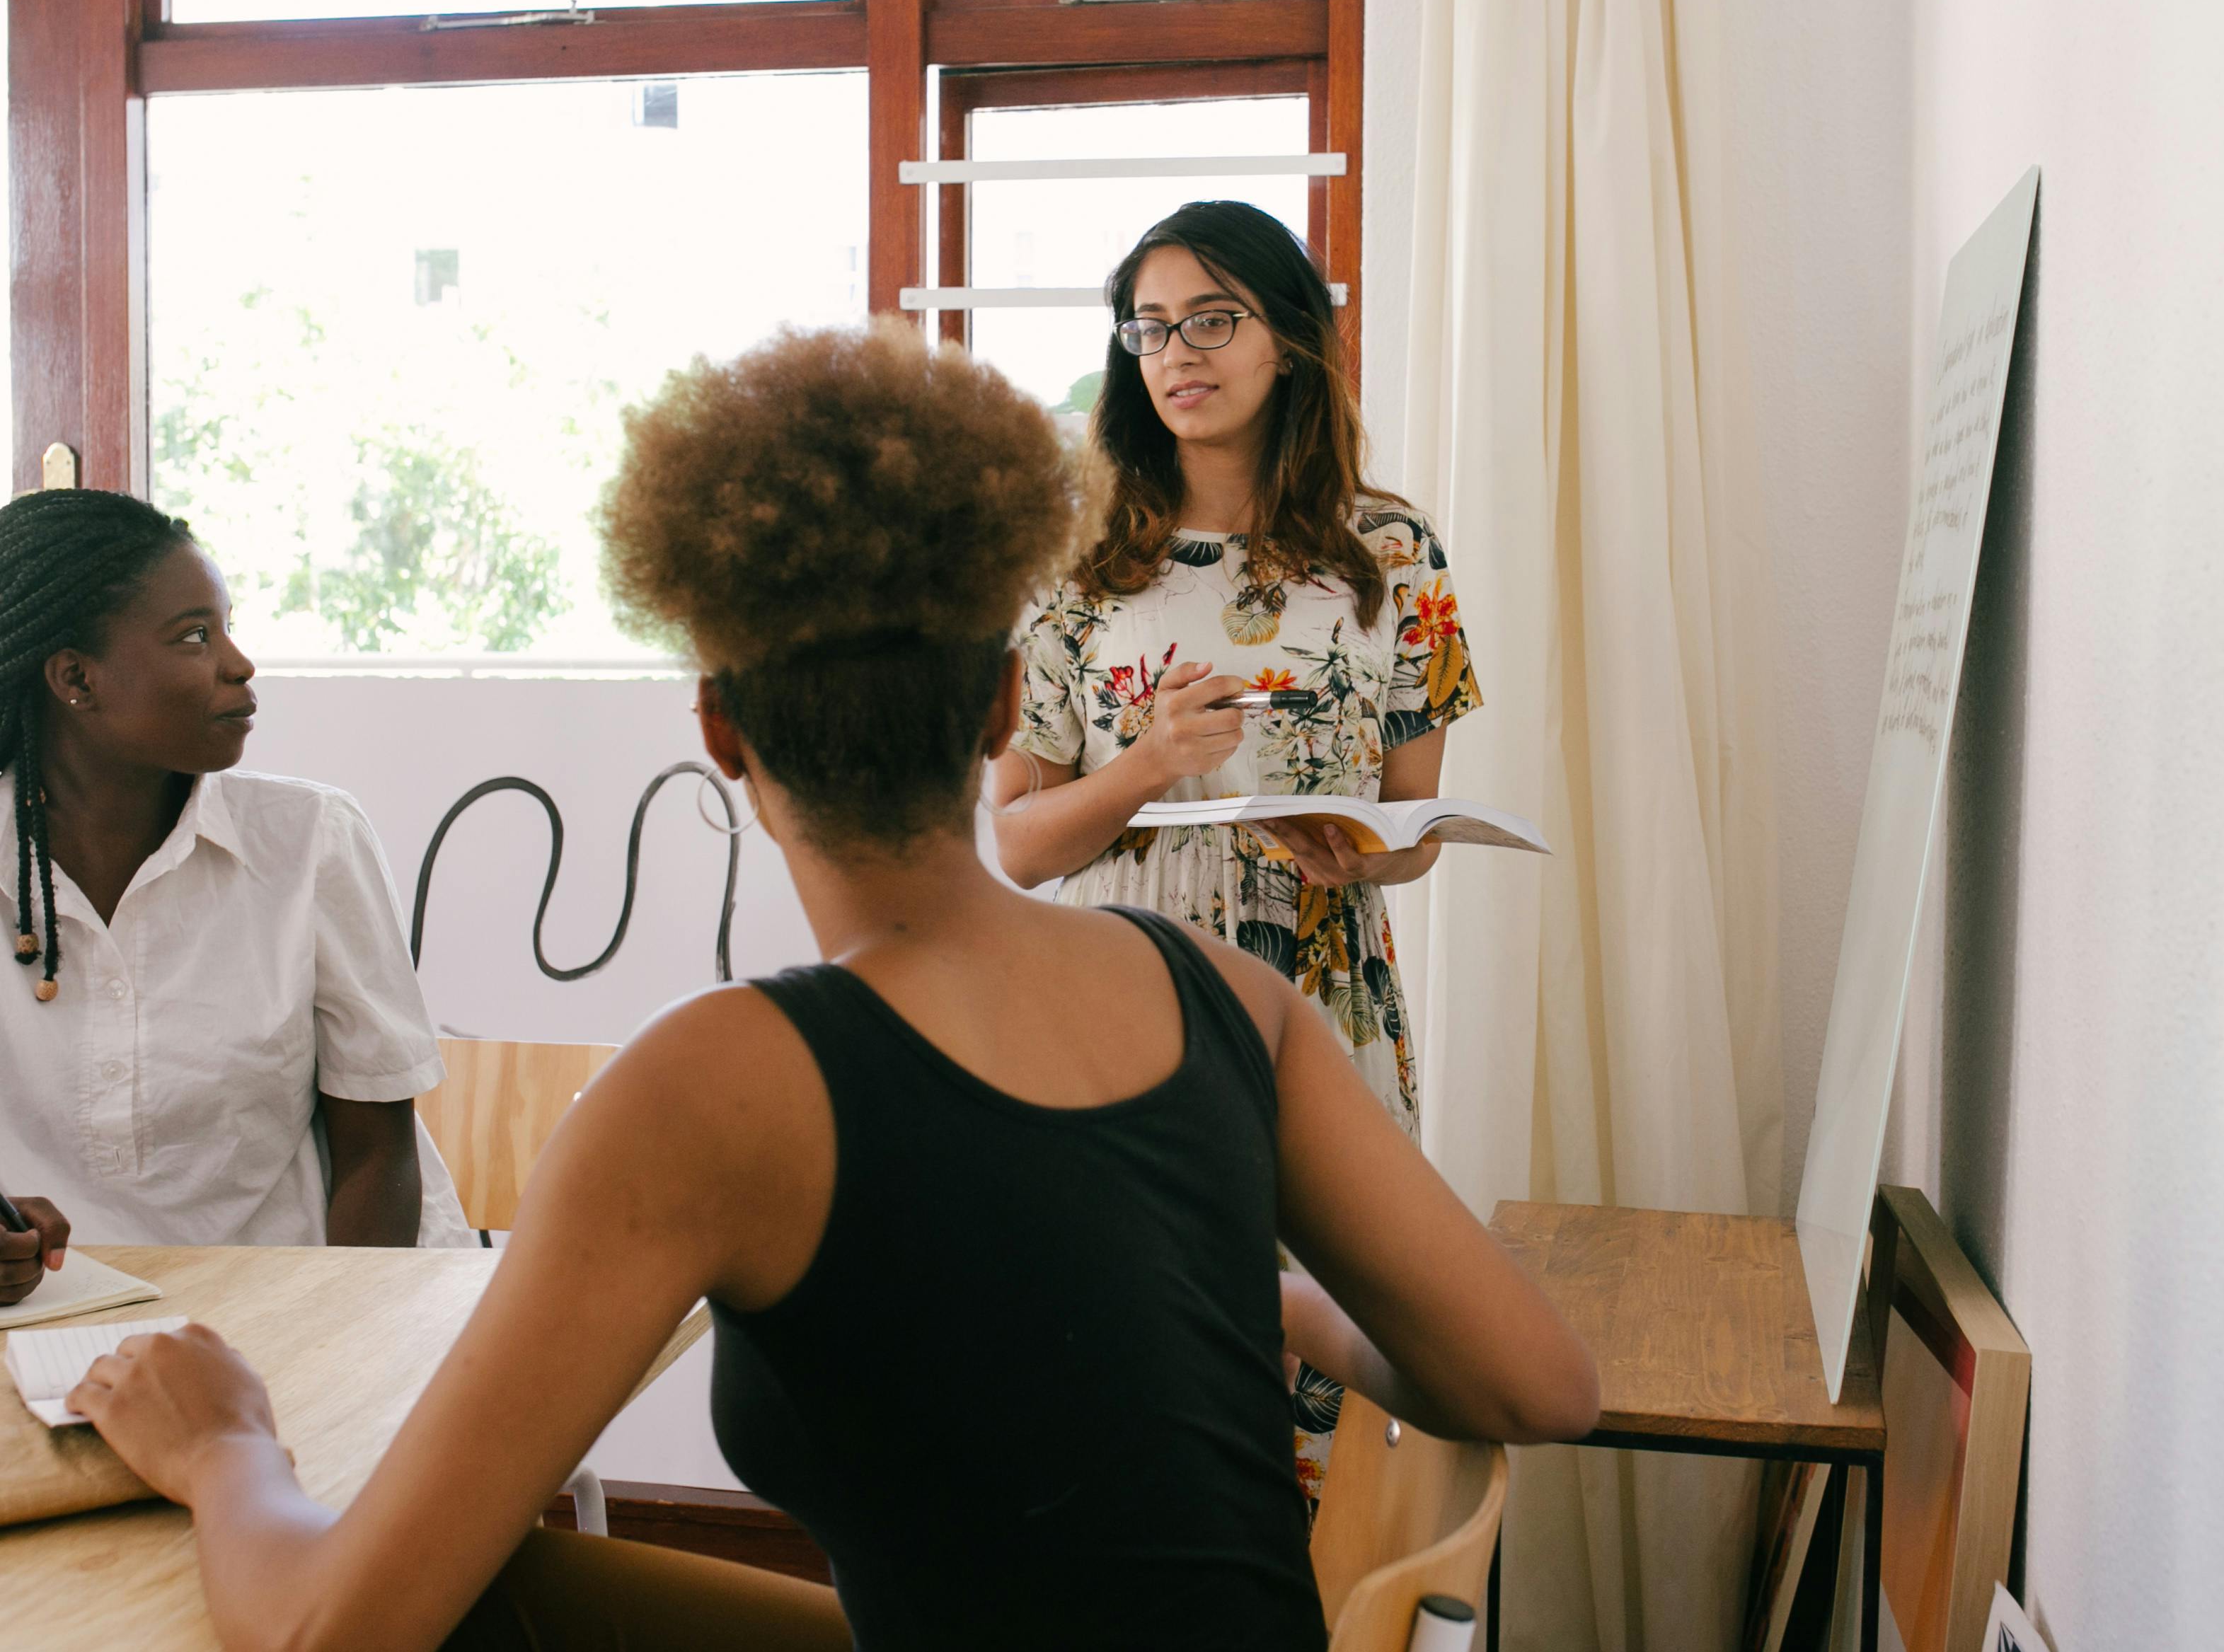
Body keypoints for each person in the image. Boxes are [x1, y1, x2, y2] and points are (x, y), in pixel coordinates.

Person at [65, 320, 1597, 1652]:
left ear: (719, 730)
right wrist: (1267, 1296)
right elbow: (1536, 1378)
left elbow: (329, 1626)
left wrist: (225, 1449)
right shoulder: (1212, 988)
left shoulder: (712, 1079)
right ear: (1004, 700)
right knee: (516, 1586)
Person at [989, 200, 1482, 1492]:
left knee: (1314, 1399)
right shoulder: (1072, 567)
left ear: (1291, 342)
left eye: (1213, 318)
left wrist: (1366, 853)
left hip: (1319, 997)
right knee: (1124, 1382)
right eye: (1151, 327)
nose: (1176, 351)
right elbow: (1018, 845)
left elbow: (1414, 816)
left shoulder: (1393, 554)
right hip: (1112, 1004)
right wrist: (1145, 765)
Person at [0, 488, 469, 1252]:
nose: (240, 663)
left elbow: (379, 1156)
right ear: (75, 678)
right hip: (40, 1330)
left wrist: (331, 1356)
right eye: (192, 637)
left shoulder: (310, 841)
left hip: (288, 1323)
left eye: (226, 629)